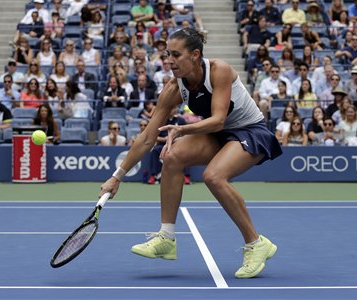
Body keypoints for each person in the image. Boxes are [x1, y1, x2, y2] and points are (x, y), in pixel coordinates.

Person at [99, 28, 282, 279]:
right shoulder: (175, 87)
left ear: (195, 55)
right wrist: (117, 176)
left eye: (176, 55)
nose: (169, 61)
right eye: (167, 55)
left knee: (214, 176)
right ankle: (167, 236)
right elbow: (147, 138)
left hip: (249, 131)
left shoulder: (220, 71)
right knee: (172, 157)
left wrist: (182, 129)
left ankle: (256, 243)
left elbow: (218, 120)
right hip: (218, 135)